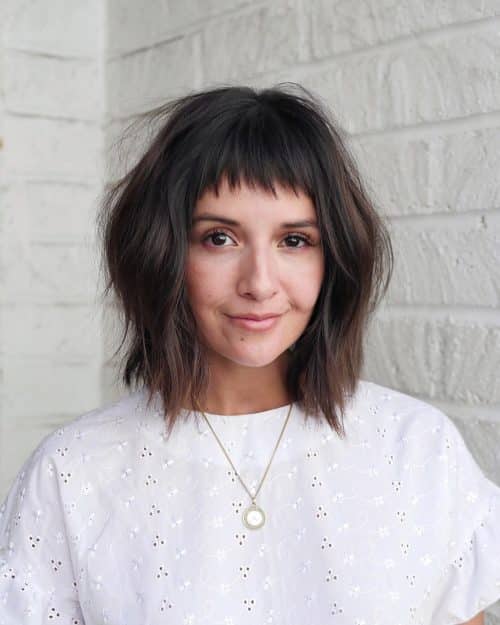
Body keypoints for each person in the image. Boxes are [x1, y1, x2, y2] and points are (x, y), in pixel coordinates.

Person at [0, 83, 499, 625]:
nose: (259, 283)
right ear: (161, 251)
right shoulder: (73, 472)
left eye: (294, 241)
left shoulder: (418, 449)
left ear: (333, 257)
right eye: (219, 238)